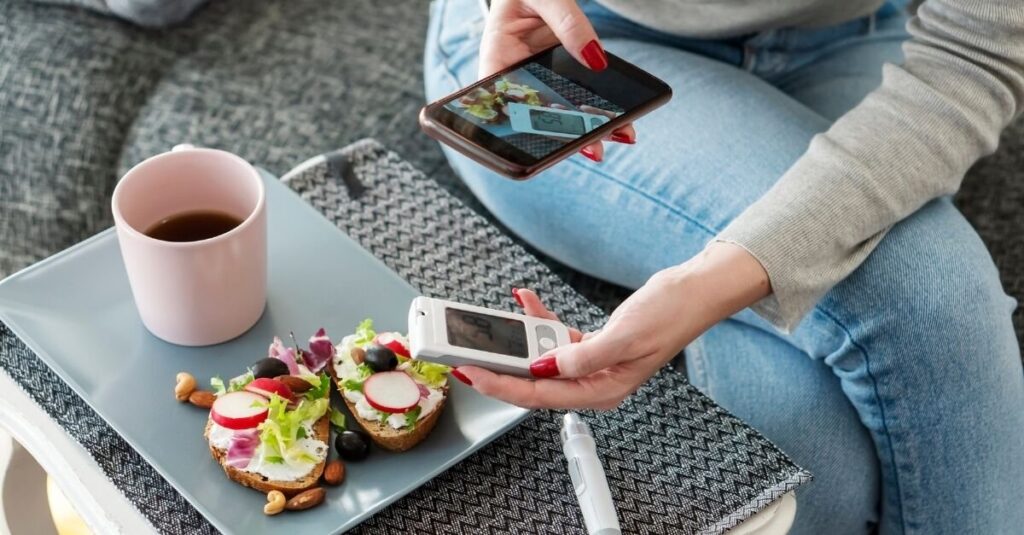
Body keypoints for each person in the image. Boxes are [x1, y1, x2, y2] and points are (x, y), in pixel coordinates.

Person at [424, 0, 1024, 533]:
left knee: (815, 460)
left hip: (853, 32)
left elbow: (975, 53)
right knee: (932, 296)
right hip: (575, 40)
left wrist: (710, 286)